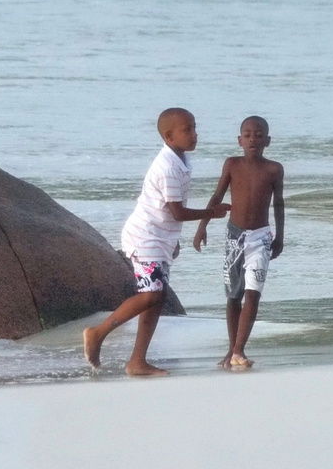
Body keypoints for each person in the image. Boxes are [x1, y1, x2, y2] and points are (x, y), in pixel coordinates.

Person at [83, 107, 227, 377]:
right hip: (144, 237)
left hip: (159, 237)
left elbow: (168, 211)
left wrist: (173, 238)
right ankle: (97, 333)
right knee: (152, 294)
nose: (195, 135)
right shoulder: (168, 167)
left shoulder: (180, 160)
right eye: (188, 130)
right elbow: (177, 212)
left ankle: (137, 362)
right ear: (169, 136)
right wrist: (212, 214)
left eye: (195, 128)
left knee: (156, 299)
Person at [193, 115, 285, 370]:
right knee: (233, 296)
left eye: (258, 135)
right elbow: (218, 195)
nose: (252, 139)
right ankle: (231, 350)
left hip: (261, 238)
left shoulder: (274, 169)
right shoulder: (232, 164)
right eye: (247, 134)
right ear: (239, 140)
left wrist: (280, 237)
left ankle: (239, 350)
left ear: (268, 140)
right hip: (234, 237)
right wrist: (202, 227)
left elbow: (278, 203)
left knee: (252, 293)